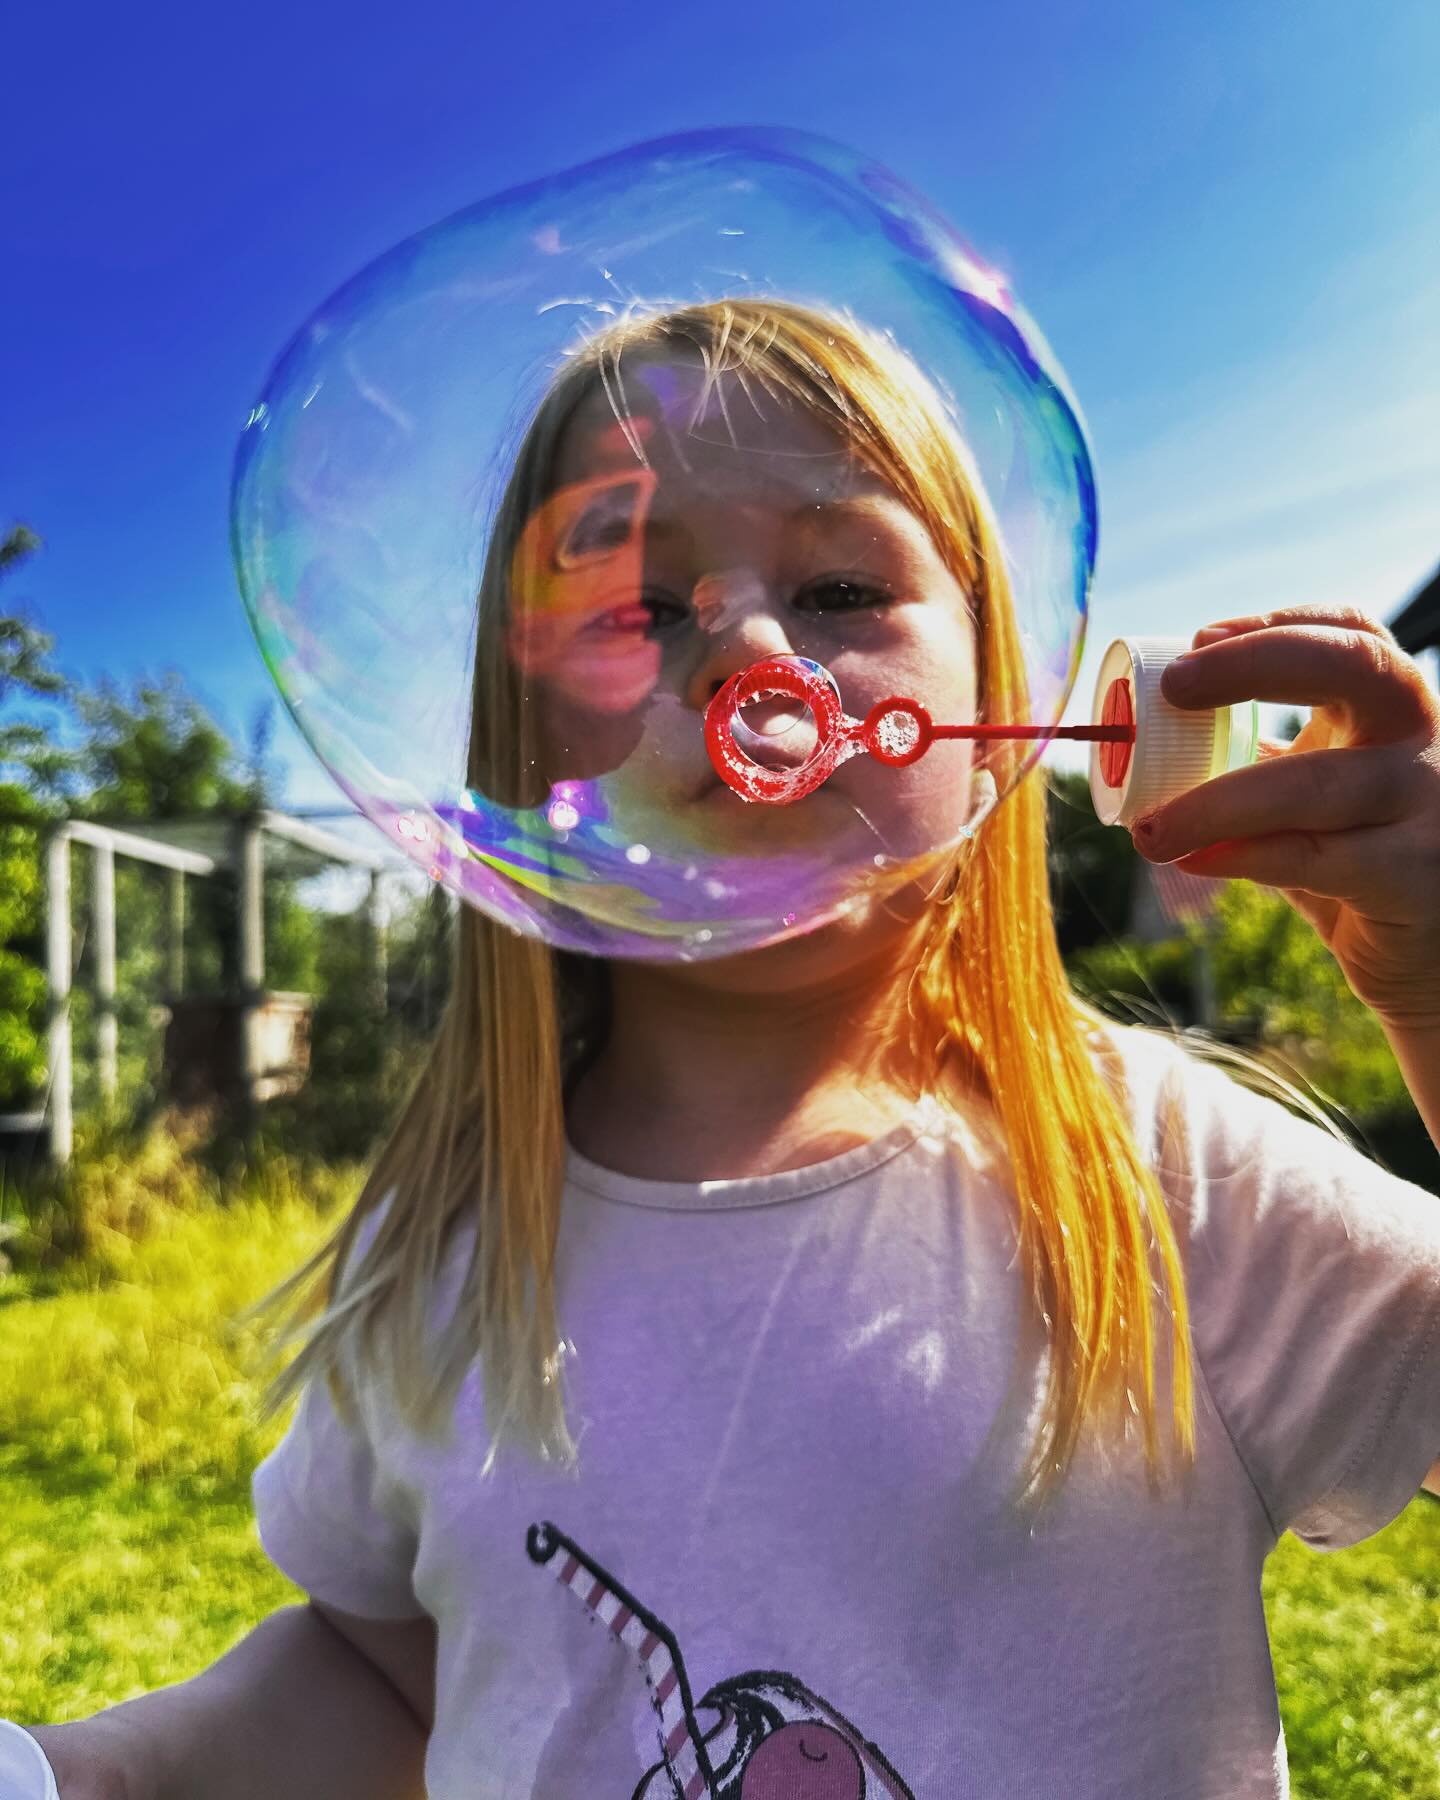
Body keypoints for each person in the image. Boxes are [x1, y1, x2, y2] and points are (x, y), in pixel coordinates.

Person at [20, 301, 1440, 1800]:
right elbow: (387, 1677)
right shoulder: (448, 1247)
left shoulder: (1157, 1180)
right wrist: (85, 1774)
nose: (752, 654)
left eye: (841, 588)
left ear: (997, 705)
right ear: (528, 751)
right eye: (640, 613)